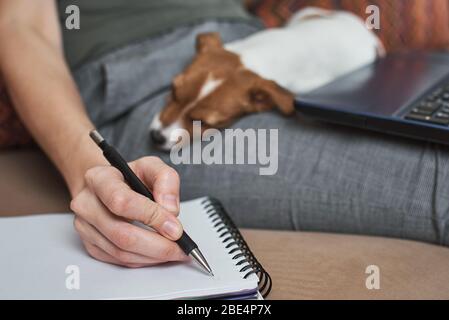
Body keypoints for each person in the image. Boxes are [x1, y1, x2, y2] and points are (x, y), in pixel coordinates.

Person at [0, 0, 447, 269]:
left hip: (265, 58)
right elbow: (20, 25)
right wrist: (89, 168)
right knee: (436, 181)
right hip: (138, 81)